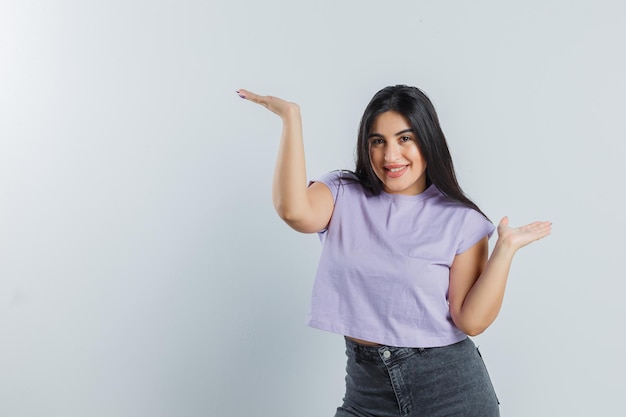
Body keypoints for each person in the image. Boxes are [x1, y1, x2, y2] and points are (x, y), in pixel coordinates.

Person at [237, 85, 551, 417]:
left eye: (405, 139)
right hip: (366, 396)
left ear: (427, 141)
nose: (390, 156)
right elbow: (293, 211)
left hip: (451, 395)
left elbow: (470, 321)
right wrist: (291, 118)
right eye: (378, 141)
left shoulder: (461, 220)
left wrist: (504, 250)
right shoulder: (342, 193)